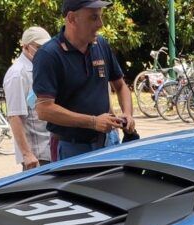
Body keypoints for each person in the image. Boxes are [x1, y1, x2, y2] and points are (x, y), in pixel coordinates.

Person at [32, 0, 135, 161]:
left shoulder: (101, 45)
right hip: (71, 148)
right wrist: (93, 122)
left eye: (100, 17)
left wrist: (128, 114)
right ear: (72, 18)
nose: (101, 24)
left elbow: (121, 86)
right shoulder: (49, 55)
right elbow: (44, 109)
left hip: (107, 142)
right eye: (93, 17)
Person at [4, 26, 53, 171]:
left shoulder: (41, 67)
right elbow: (15, 117)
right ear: (26, 47)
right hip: (38, 156)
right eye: (39, 47)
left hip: (51, 149)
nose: (44, 51)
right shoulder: (17, 74)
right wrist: (27, 154)